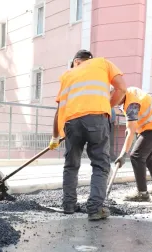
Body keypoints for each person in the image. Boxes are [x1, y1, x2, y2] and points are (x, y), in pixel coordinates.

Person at [50, 50, 127, 221]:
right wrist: (107, 106)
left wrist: (55, 137)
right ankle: (94, 209)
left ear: (76, 61)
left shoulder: (67, 74)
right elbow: (122, 88)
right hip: (96, 120)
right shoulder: (103, 63)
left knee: (71, 165)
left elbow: (58, 111)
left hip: (71, 122)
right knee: (100, 164)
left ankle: (69, 205)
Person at [113, 86, 152, 201]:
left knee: (136, 156)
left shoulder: (131, 105)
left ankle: (142, 193)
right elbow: (133, 123)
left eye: (113, 99)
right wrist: (131, 127)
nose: (112, 102)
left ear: (118, 93)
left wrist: (123, 154)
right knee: (148, 157)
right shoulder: (129, 92)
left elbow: (130, 131)